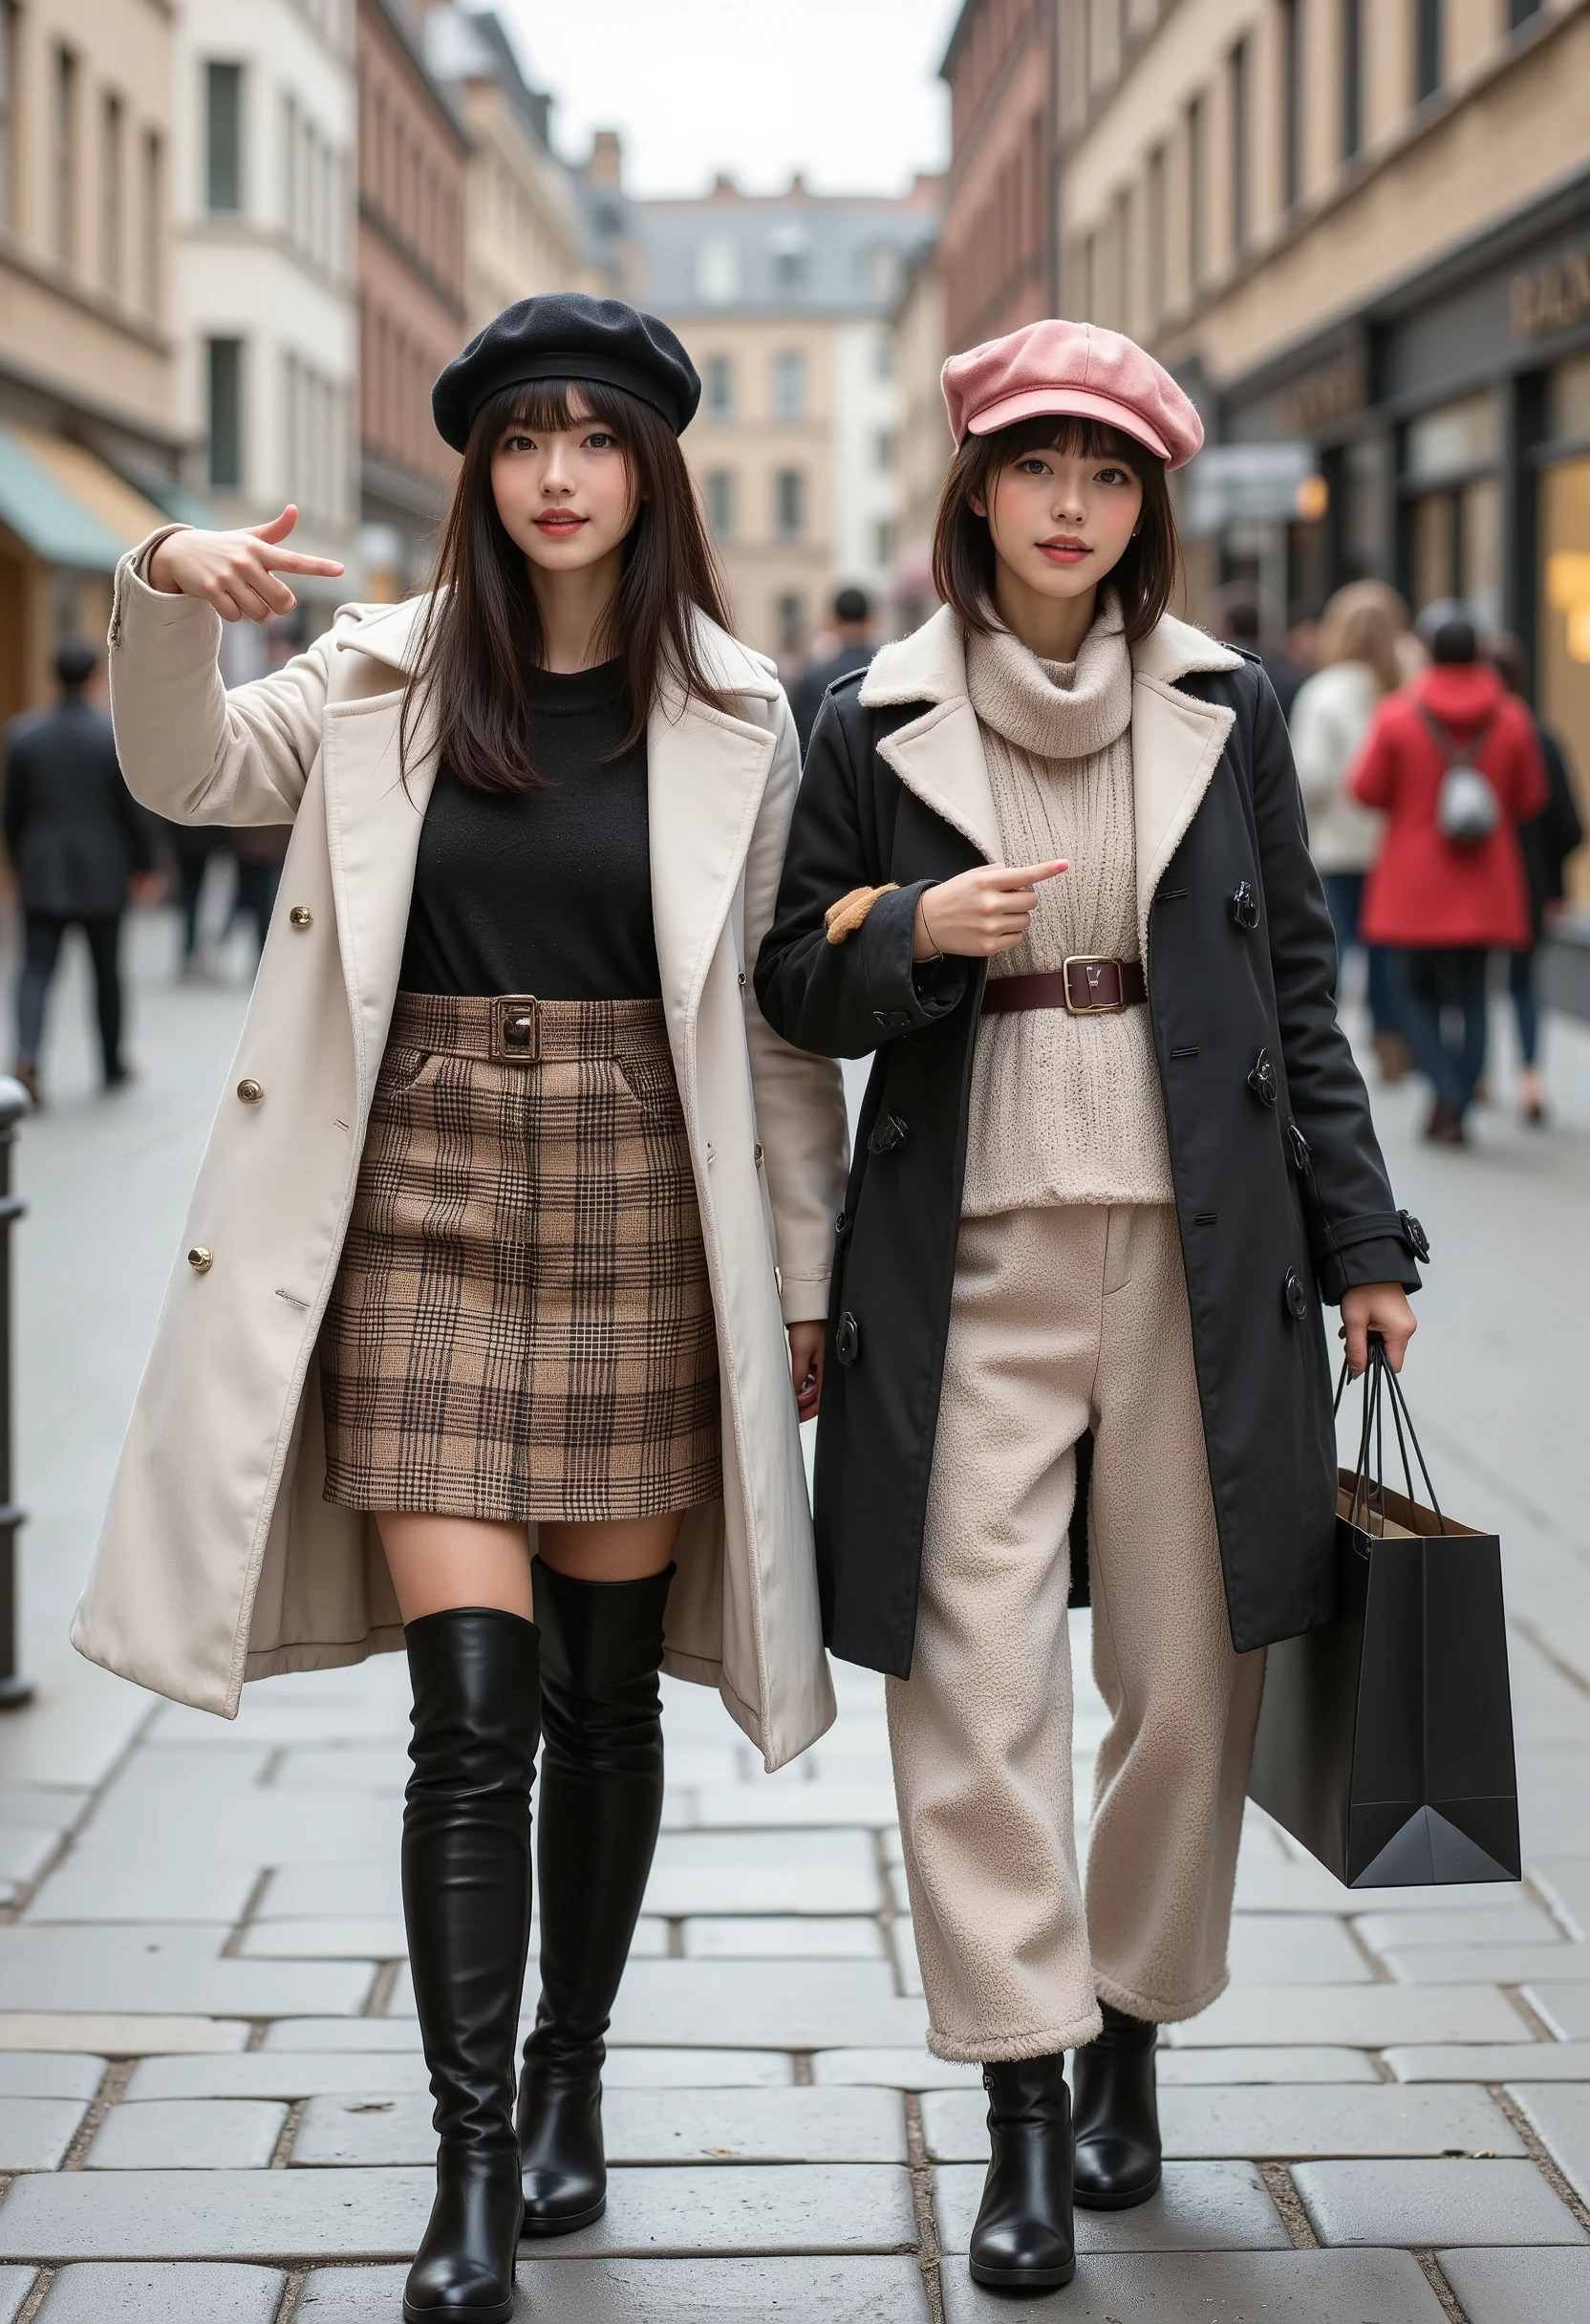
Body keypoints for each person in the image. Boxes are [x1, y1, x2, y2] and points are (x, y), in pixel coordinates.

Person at [71, 291, 848, 2324]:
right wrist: (168, 579)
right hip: (410, 1190)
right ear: (483, 474)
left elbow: (771, 1034)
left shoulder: (745, 711)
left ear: (649, 470)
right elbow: (173, 770)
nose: (560, 473)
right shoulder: (375, 675)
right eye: (523, 440)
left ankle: (574, 2071)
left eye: (594, 438)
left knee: (599, 1693)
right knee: (470, 1711)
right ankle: (471, 2157)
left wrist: (810, 1278)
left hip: (642, 1207)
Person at [756, 317, 1422, 2295]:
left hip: (1206, 1257)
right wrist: (904, 935)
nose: (1069, 504)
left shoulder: (1230, 701)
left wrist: (1367, 1239)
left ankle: (1129, 2020)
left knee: (1191, 1673)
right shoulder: (859, 714)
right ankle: (1023, 2103)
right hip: (961, 1258)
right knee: (968, 1683)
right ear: (975, 488)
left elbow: (1297, 993)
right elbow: (789, 978)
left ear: (1143, 509)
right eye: (1037, 466)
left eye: (1108, 475)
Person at [1351, 611, 1547, 1145]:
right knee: (1476, 995)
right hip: (1487, 881)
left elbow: (1365, 789)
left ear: (1430, 652)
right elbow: (1531, 798)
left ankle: (1445, 1094)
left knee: (1412, 990)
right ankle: (1457, 1099)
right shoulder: (1511, 717)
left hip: (1414, 881)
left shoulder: (1397, 714)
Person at [4, 639, 159, 1103]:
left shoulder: (24, 734)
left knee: (34, 969)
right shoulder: (110, 735)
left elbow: (11, 813)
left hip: (41, 869)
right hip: (103, 870)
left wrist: (16, 864)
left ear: (54, 679)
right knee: (106, 972)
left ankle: (27, 1056)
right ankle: (110, 1063)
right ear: (96, 678)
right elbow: (134, 810)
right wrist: (146, 865)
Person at [1289, 581, 1410, 1080]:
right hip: (1395, 849)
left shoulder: (1325, 693)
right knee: (1387, 953)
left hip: (1336, 847)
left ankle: (1319, 1046)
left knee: (1330, 952)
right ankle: (1393, 1041)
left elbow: (1309, 777)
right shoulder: (1407, 688)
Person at [1486, 631, 1582, 1126]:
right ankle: (1530, 1076)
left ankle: (1478, 1073)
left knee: (1476, 978)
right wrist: (1558, 888)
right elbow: (1566, 822)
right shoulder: (1540, 736)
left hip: (1474, 883)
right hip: (1532, 882)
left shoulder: (1455, 734)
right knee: (1525, 984)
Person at [789, 585, 875, 755]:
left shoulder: (813, 678)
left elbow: (802, 741)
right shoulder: (889, 671)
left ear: (833, 622)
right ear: (870, 620)